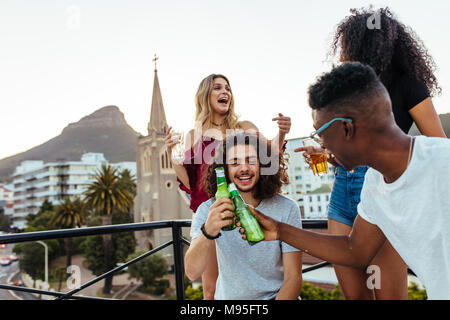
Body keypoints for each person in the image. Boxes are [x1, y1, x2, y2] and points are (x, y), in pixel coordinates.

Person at [241, 62, 450, 300]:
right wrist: (278, 229)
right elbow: (355, 250)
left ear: (346, 129)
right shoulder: (374, 183)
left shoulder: (443, 162)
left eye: (320, 134)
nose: (323, 145)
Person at [298, 7, 446, 300]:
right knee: (356, 295)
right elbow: (350, 145)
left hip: (388, 190)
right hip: (344, 188)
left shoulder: (407, 84)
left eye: (346, 45)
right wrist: (328, 154)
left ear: (362, 43)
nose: (341, 53)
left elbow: (437, 142)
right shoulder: (345, 94)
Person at [164, 74, 291, 299]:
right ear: (205, 95)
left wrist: (281, 133)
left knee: (247, 275)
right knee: (210, 288)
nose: (225, 92)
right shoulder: (194, 134)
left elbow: (269, 157)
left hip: (243, 206)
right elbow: (190, 182)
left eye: (227, 88)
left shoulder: (243, 126)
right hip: (212, 211)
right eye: (217, 88)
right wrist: (170, 154)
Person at [184, 132, 303, 300]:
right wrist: (208, 231)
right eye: (234, 162)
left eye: (251, 160)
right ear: (224, 169)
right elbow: (191, 272)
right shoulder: (208, 209)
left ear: (263, 164)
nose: (244, 168)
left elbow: (294, 277)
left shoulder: (287, 208)